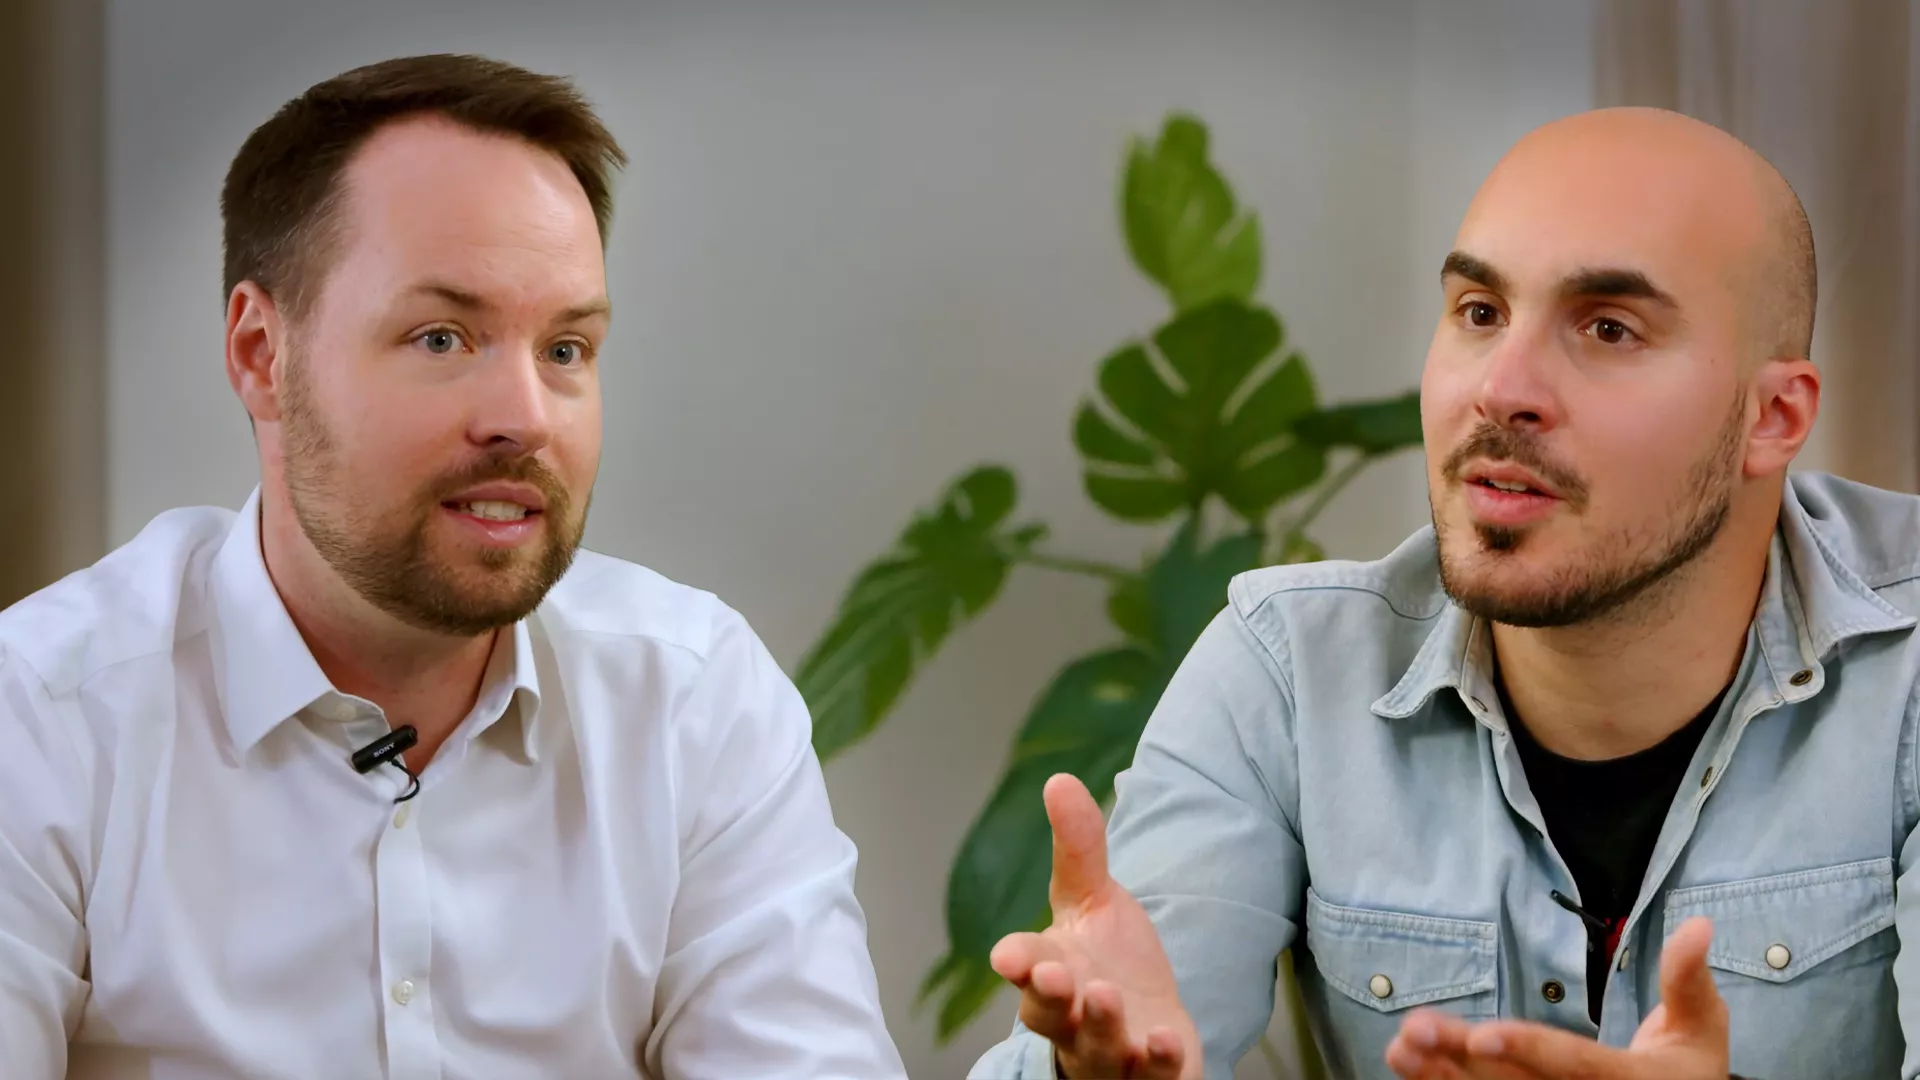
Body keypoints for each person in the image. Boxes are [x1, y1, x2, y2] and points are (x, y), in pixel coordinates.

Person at [0, 54, 905, 1080]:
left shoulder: (693, 699)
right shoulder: (45, 716)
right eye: (442, 338)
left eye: (565, 349)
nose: (523, 418)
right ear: (261, 353)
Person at [970, 106, 1920, 1080]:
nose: (1502, 388)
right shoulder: (1290, 672)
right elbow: (1134, 1030)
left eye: (1608, 328)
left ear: (1773, 416)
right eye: (1480, 312)